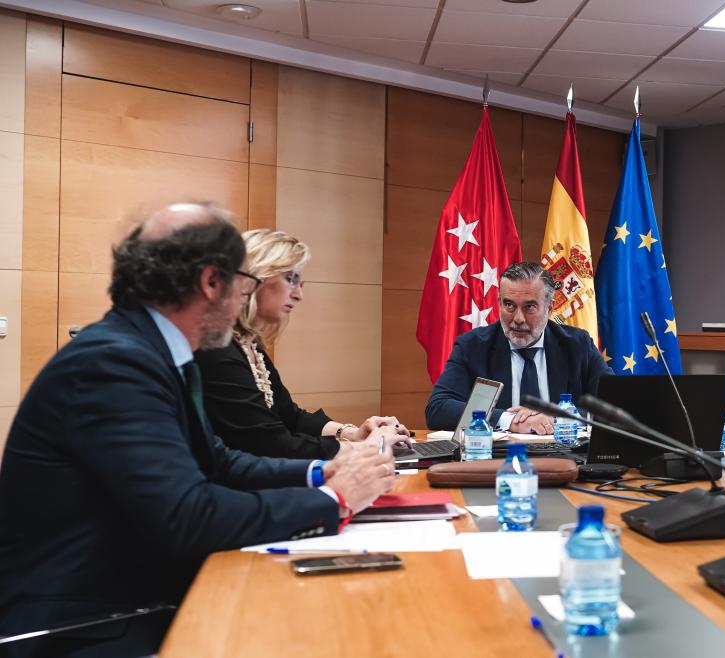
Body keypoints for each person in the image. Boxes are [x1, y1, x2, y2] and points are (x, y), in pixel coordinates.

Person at [0, 203, 396, 657]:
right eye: (245, 284)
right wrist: (334, 500)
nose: (244, 300)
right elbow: (186, 516)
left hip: (134, 591)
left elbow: (217, 458)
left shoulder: (153, 350)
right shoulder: (115, 363)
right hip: (90, 621)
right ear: (212, 283)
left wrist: (318, 473)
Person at [196, 229, 408, 459]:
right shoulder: (219, 349)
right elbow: (271, 444)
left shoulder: (249, 344)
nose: (299, 295)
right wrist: (362, 448)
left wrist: (352, 433)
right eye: (290, 279)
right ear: (255, 277)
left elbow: (289, 416)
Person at [425, 261, 612, 433]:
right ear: (499, 303)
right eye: (509, 305)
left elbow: (615, 405)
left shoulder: (577, 344)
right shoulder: (473, 346)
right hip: (495, 460)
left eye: (529, 307)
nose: (518, 319)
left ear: (549, 308)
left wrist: (558, 419)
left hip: (566, 458)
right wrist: (510, 420)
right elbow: (438, 409)